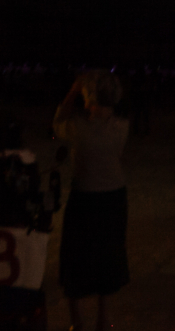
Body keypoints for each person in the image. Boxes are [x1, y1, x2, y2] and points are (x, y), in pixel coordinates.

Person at [54, 71, 130, 331]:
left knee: (76, 256)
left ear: (91, 99)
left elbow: (57, 121)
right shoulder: (122, 127)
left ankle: (77, 318)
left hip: (86, 196)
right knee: (107, 256)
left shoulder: (79, 128)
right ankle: (103, 316)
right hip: (114, 196)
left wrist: (73, 91)